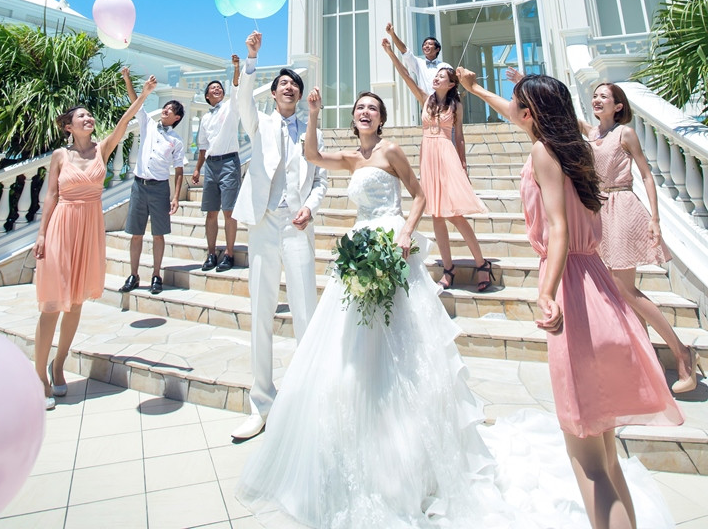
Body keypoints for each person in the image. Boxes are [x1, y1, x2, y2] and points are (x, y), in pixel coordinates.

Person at [236, 87, 675, 529]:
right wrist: (314, 113)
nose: (365, 111)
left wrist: (406, 230)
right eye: (359, 107)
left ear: (383, 118)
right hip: (371, 254)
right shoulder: (353, 157)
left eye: (373, 106)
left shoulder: (400, 150)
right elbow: (312, 155)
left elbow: (424, 195)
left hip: (412, 251)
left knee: (590, 455)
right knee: (351, 355)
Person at [457, 68, 683, 529]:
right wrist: (475, 88)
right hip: (598, 285)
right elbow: (517, 115)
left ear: (531, 113)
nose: (513, 111)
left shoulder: (543, 152)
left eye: (519, 104)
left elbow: (558, 228)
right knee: (607, 456)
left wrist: (546, 291)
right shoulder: (578, 149)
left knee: (588, 462)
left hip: (573, 291)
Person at [34, 75, 157, 409]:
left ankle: (59, 365)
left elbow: (124, 121)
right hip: (62, 226)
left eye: (89, 115)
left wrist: (144, 94)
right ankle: (39, 376)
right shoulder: (60, 156)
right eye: (81, 116)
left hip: (89, 227)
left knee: (75, 303)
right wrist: (42, 234)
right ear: (69, 126)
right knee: (51, 304)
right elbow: (50, 196)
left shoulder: (103, 149)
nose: (88, 118)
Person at [231, 31, 328, 442]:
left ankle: (307, 400)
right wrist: (252, 58)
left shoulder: (311, 129)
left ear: (301, 95)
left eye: (295, 84)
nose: (289, 87)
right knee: (261, 311)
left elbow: (321, 180)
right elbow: (242, 99)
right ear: (274, 93)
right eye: (283, 83)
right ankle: (261, 403)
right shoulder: (260, 122)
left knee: (306, 310)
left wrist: (311, 207)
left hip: (297, 225)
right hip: (263, 223)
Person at [582, 82, 699, 395]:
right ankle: (650, 365)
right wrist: (523, 83)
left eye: (604, 96)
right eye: (594, 96)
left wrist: (655, 219)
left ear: (618, 105)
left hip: (622, 205)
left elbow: (647, 175)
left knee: (624, 288)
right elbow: (560, 114)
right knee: (619, 293)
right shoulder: (592, 134)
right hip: (600, 211)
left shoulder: (625, 133)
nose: (596, 100)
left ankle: (682, 354)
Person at [383, 39, 492, 291]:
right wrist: (390, 52)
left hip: (446, 154)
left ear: (451, 83)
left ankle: (481, 263)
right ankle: (448, 269)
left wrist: (463, 165)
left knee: (454, 215)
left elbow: (459, 137)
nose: (436, 77)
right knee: (437, 216)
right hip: (428, 156)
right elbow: (405, 74)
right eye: (436, 75)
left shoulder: (456, 105)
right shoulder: (425, 99)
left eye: (442, 76)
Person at [119, 67, 185, 295]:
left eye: (171, 110)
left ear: (176, 118)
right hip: (139, 186)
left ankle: (156, 274)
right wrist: (128, 78)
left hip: (159, 189)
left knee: (158, 234)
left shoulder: (176, 141)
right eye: (166, 107)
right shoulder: (147, 123)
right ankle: (134, 274)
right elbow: (135, 102)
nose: (166, 110)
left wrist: (176, 197)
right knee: (136, 233)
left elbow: (179, 170)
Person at [192, 55, 242, 273]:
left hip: (229, 162)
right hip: (211, 165)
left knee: (229, 211)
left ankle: (229, 253)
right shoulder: (205, 118)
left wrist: (236, 67)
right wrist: (197, 169)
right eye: (212, 88)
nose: (217, 89)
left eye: (219, 87)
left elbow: (236, 87)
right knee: (211, 212)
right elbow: (203, 147)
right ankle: (211, 253)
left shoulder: (230, 107)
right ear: (206, 96)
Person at [385, 21, 449, 95]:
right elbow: (405, 51)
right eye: (424, 44)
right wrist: (392, 34)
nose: (426, 46)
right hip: (425, 100)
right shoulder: (419, 63)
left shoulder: (445, 66)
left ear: (437, 49)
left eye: (430, 44)